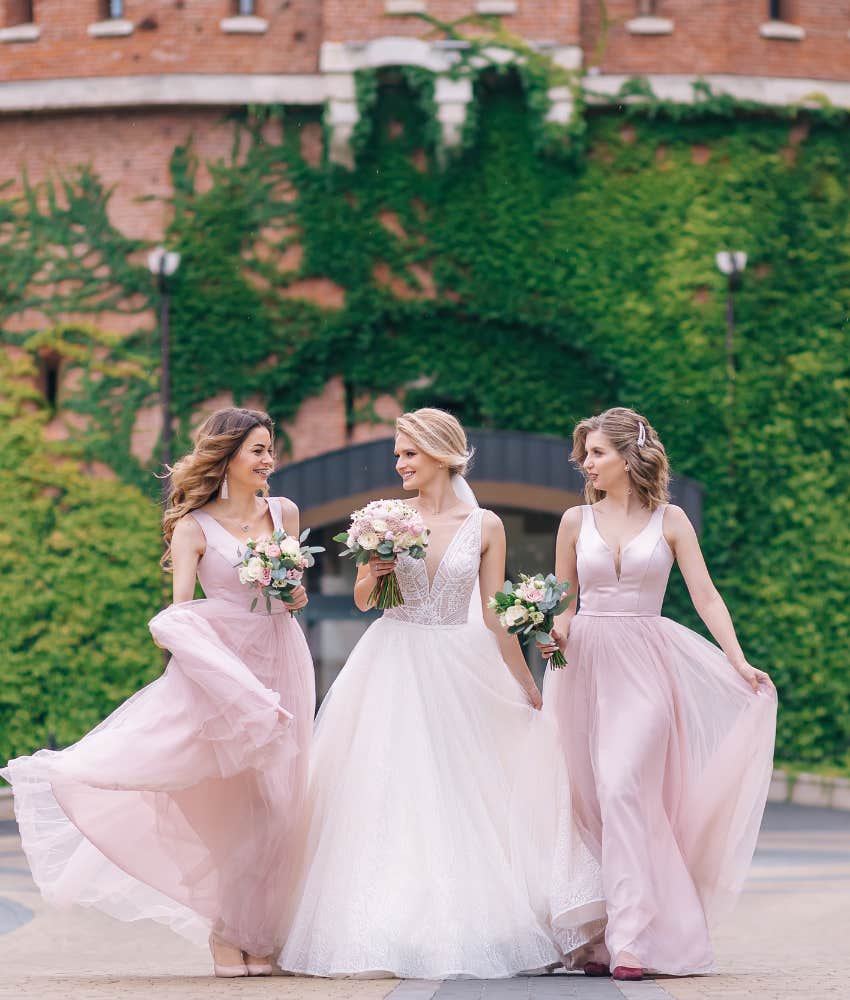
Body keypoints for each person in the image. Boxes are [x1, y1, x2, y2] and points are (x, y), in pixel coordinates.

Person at [280, 407, 604, 979]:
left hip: (463, 663)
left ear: (440, 454)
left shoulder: (487, 526)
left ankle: (475, 922)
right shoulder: (383, 517)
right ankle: (386, 925)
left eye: (409, 453)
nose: (400, 464)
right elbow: (361, 601)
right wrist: (373, 569)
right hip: (393, 662)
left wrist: (527, 685)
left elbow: (493, 612)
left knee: (466, 791)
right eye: (398, 454)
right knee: (391, 792)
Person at [1, 407, 315, 978]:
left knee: (280, 805)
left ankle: (260, 932)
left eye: (271, 450)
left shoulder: (284, 513)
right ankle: (227, 934)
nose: (269, 460)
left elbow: (297, 592)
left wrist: (292, 593)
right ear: (228, 456)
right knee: (233, 806)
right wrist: (213, 667)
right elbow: (178, 612)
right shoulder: (194, 525)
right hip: (221, 670)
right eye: (258, 450)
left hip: (280, 655)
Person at [539, 406, 777, 980]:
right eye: (585, 454)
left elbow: (707, 596)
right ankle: (600, 933)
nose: (586, 464)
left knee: (623, 787)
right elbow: (565, 600)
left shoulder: (670, 521)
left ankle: (632, 940)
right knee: (590, 801)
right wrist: (556, 629)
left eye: (596, 453)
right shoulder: (574, 520)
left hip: (645, 664)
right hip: (582, 666)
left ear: (629, 455)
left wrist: (738, 660)